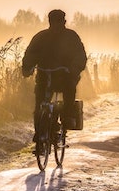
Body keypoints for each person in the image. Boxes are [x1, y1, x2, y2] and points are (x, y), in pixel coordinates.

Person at [21, 9, 87, 141]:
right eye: (54, 22)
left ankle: (67, 117)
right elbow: (31, 54)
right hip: (45, 77)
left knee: (69, 89)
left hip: (65, 76)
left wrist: (73, 69)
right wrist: (27, 68)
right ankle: (40, 131)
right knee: (40, 104)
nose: (56, 25)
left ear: (63, 22)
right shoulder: (41, 37)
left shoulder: (71, 37)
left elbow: (80, 56)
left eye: (59, 22)